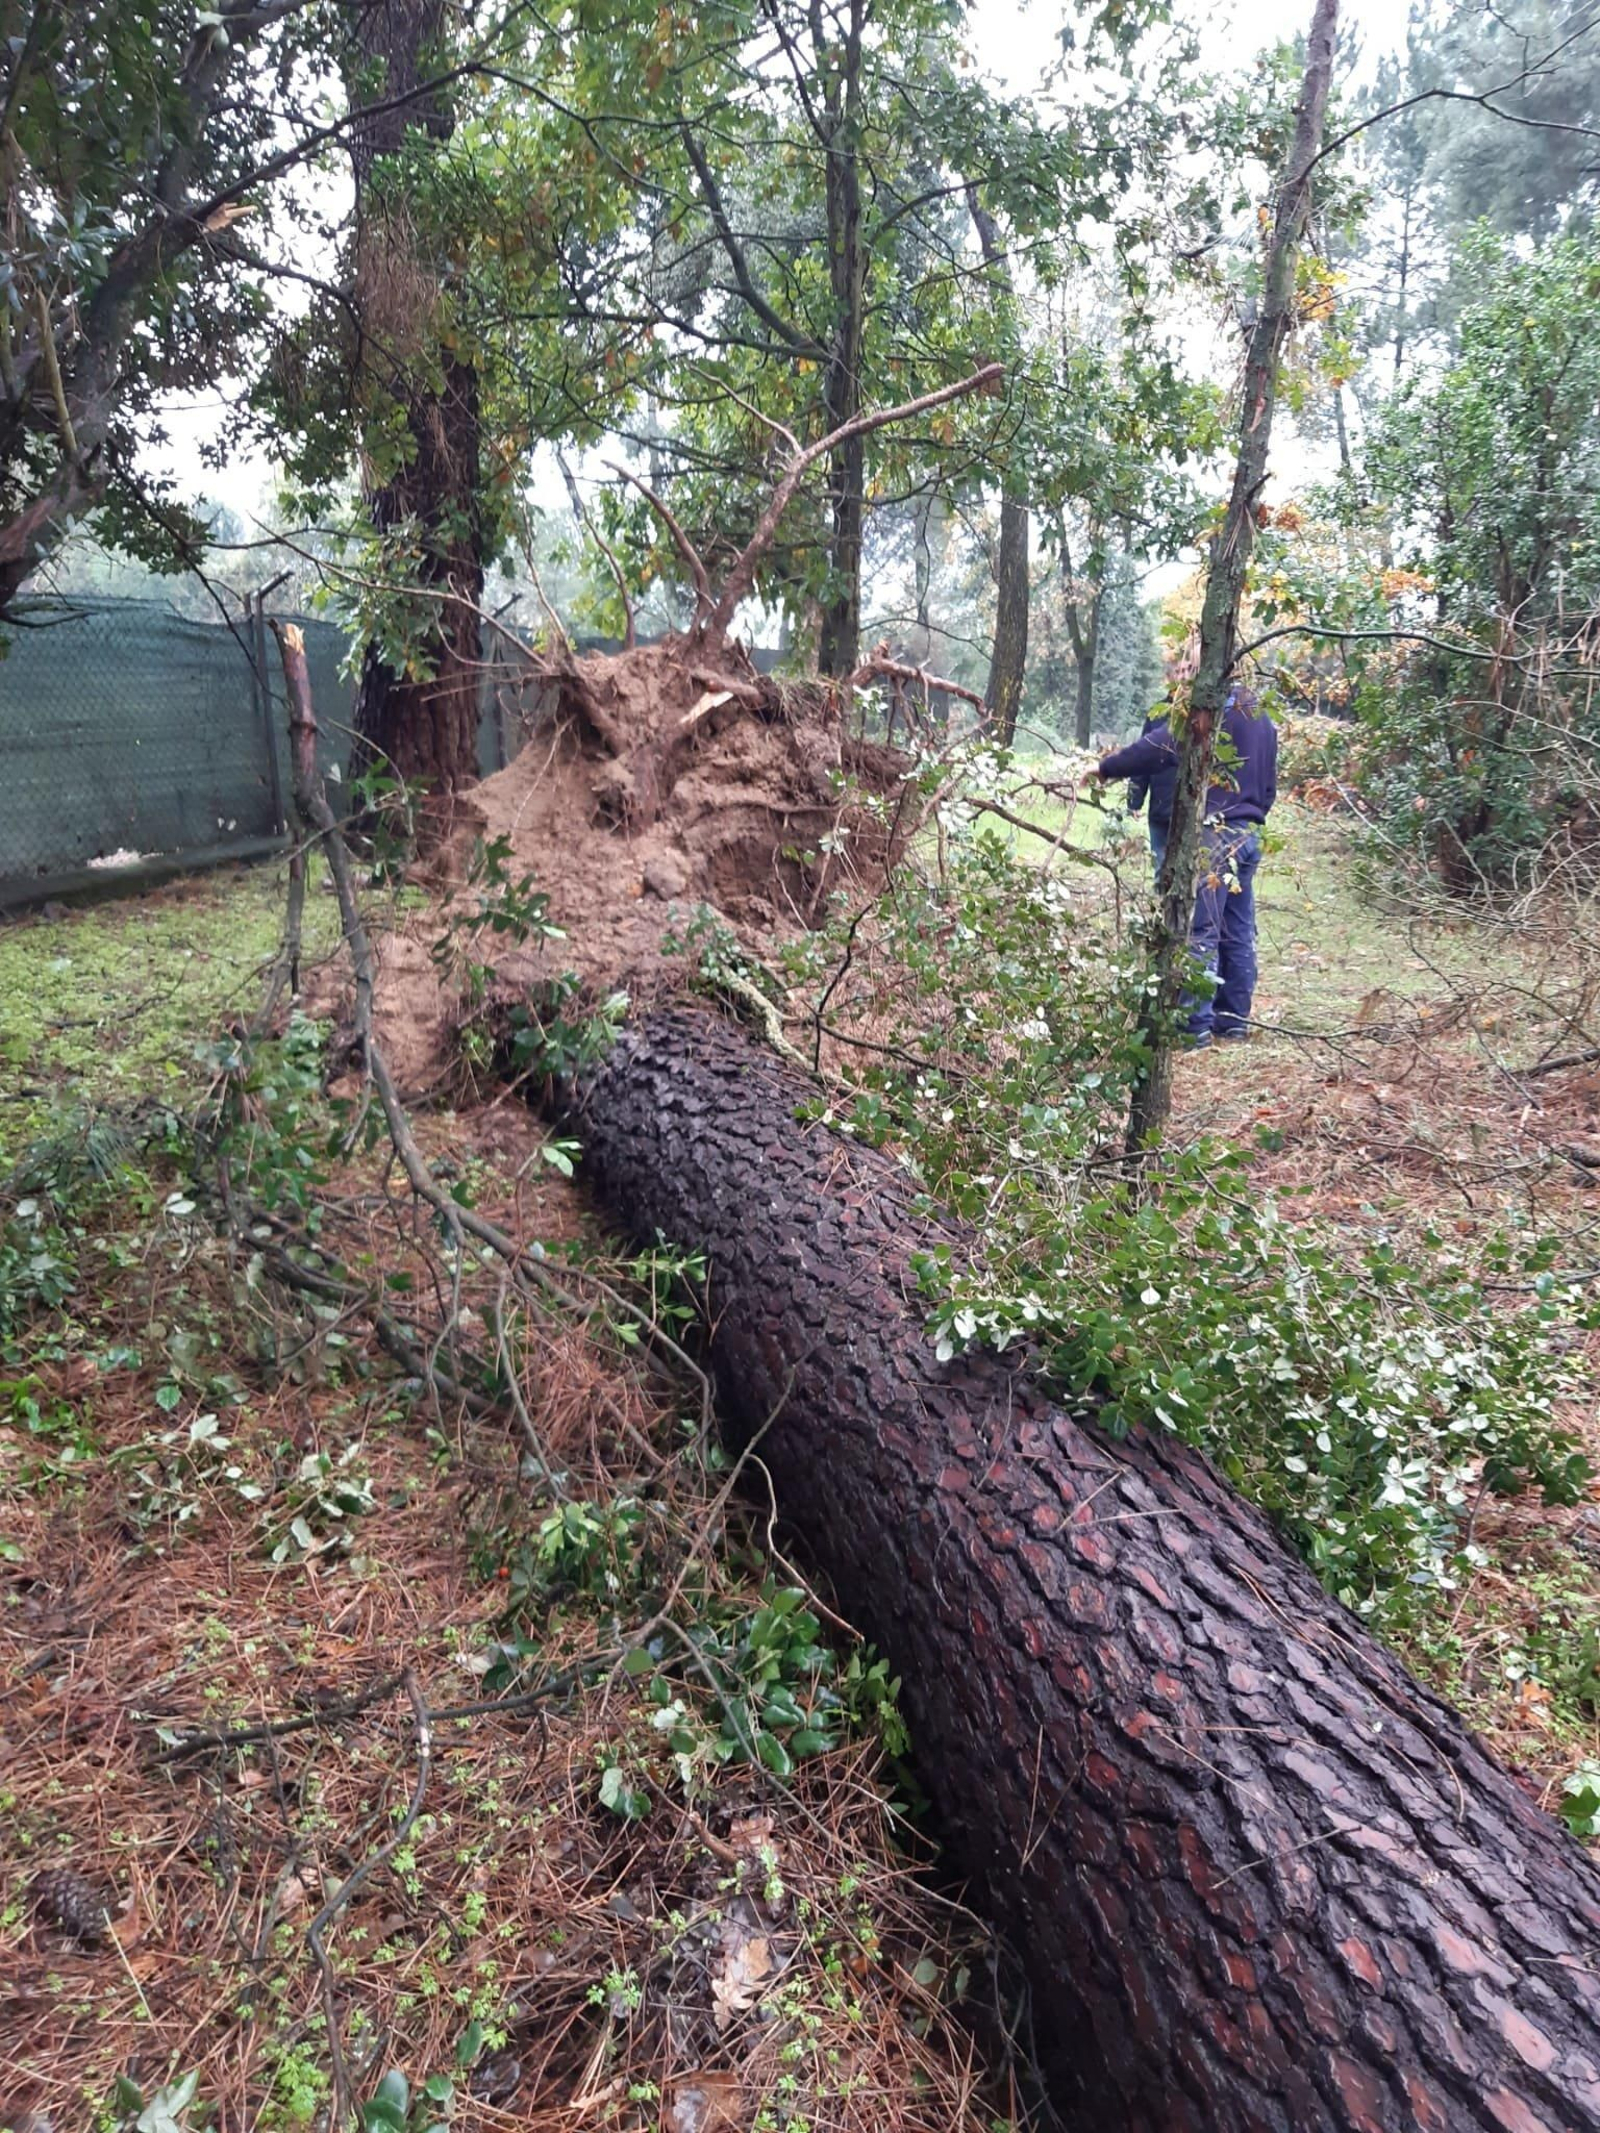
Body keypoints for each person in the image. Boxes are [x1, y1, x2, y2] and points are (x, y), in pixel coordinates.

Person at [1095, 685, 1278, 1046]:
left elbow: (1161, 743)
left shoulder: (1214, 710)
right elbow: (1270, 784)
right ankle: (1233, 1020)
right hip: (1248, 832)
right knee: (1238, 929)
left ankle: (1195, 1028)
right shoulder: (1262, 715)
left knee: (1202, 930)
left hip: (1216, 832)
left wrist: (1105, 768)